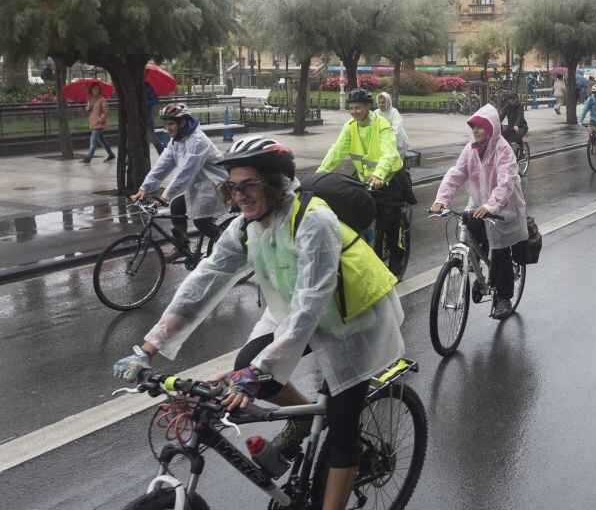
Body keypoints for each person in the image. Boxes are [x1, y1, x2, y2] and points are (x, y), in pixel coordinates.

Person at [113, 138, 405, 510]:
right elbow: (205, 280)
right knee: (246, 363)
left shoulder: (314, 221)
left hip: (354, 317)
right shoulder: (245, 227)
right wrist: (147, 349)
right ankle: (301, 420)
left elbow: (311, 304)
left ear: (276, 184)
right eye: (233, 187)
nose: (240, 196)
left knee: (342, 423)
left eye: (248, 185)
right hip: (299, 311)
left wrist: (259, 372)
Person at [429, 105, 528, 320]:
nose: (475, 130)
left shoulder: (503, 150)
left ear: (491, 128)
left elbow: (505, 181)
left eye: (480, 127)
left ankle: (503, 297)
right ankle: (476, 263)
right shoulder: (470, 149)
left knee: (500, 251)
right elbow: (456, 174)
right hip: (480, 203)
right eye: (473, 127)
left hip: (505, 207)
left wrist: (492, 206)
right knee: (469, 227)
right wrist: (441, 201)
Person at [317, 88, 407, 274]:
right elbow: (337, 151)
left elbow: (389, 152)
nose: (353, 112)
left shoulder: (381, 124)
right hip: (364, 178)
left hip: (388, 177)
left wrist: (380, 175)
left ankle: (397, 255)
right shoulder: (350, 126)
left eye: (357, 107)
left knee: (390, 221)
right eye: (351, 108)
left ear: (367, 106)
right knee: (347, 210)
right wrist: (319, 175)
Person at [132, 103, 227, 257]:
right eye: (166, 124)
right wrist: (144, 188)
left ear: (182, 123)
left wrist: (164, 197)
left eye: (171, 124)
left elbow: (186, 173)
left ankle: (231, 250)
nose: (167, 128)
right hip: (198, 186)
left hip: (214, 186)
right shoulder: (176, 140)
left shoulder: (197, 141)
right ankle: (183, 247)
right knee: (176, 206)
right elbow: (163, 164)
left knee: (201, 222)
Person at [81, 82, 115, 164]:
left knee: (93, 141)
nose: (97, 90)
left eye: (98, 89)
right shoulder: (90, 99)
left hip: (99, 124)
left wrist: (100, 118)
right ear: (91, 89)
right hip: (93, 123)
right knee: (102, 140)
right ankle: (111, 154)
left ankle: (88, 158)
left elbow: (106, 110)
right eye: (95, 88)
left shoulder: (102, 99)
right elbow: (91, 112)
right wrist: (87, 108)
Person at [374, 92, 410, 159]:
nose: (381, 104)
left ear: (388, 102)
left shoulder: (393, 111)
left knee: (395, 158)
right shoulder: (377, 112)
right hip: (382, 139)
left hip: (396, 139)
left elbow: (396, 126)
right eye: (379, 102)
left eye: (383, 102)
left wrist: (390, 138)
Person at [144, 81, 165, 155]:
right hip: (135, 118)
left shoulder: (148, 87)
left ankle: (163, 154)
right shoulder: (133, 87)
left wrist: (145, 103)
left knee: (152, 137)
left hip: (147, 116)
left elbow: (156, 100)